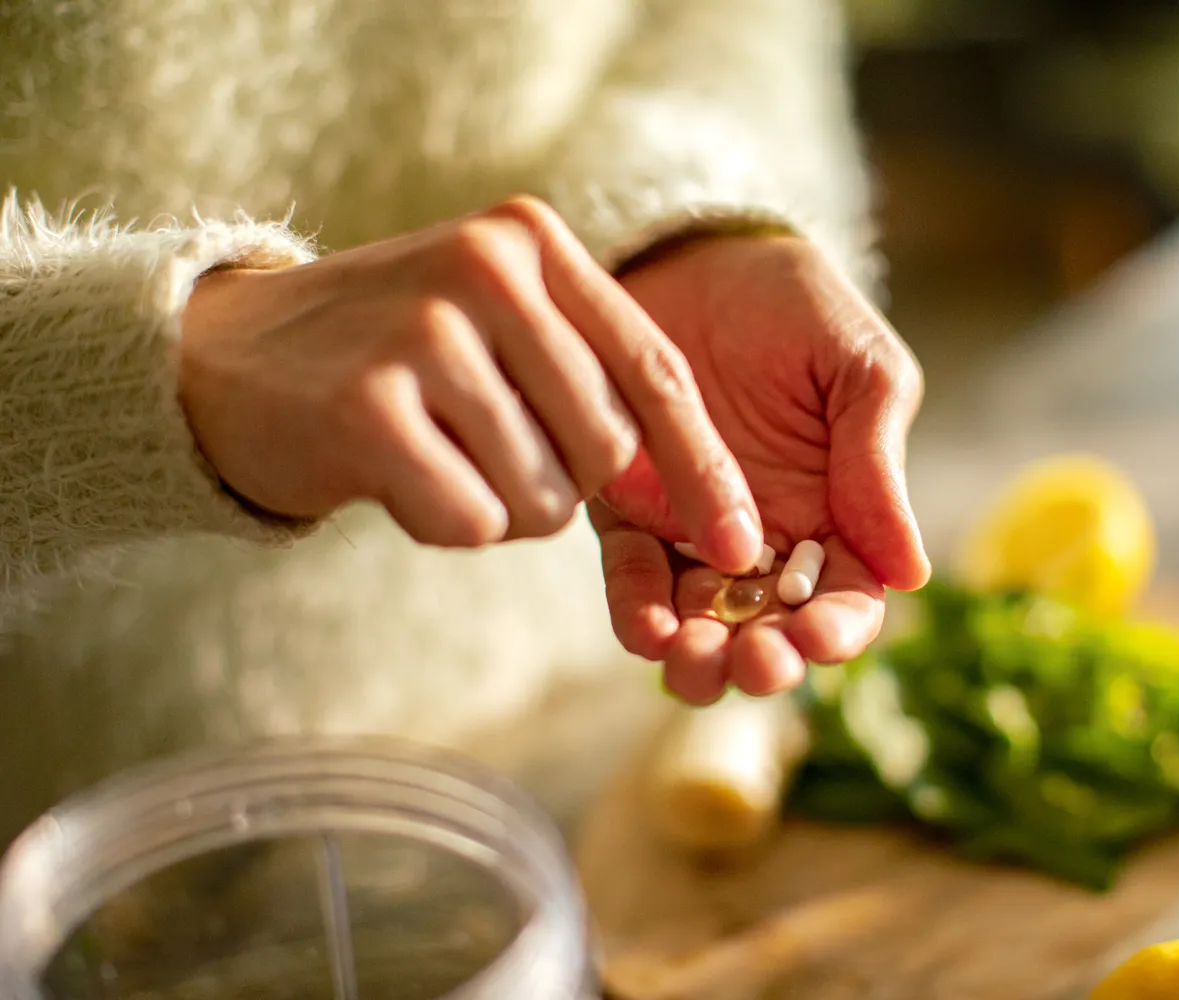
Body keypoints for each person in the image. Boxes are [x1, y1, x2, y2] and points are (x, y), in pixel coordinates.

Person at [0, 0, 928, 841]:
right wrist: (145, 368)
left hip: (567, 675)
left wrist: (675, 225)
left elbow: (732, 23)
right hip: (87, 801)